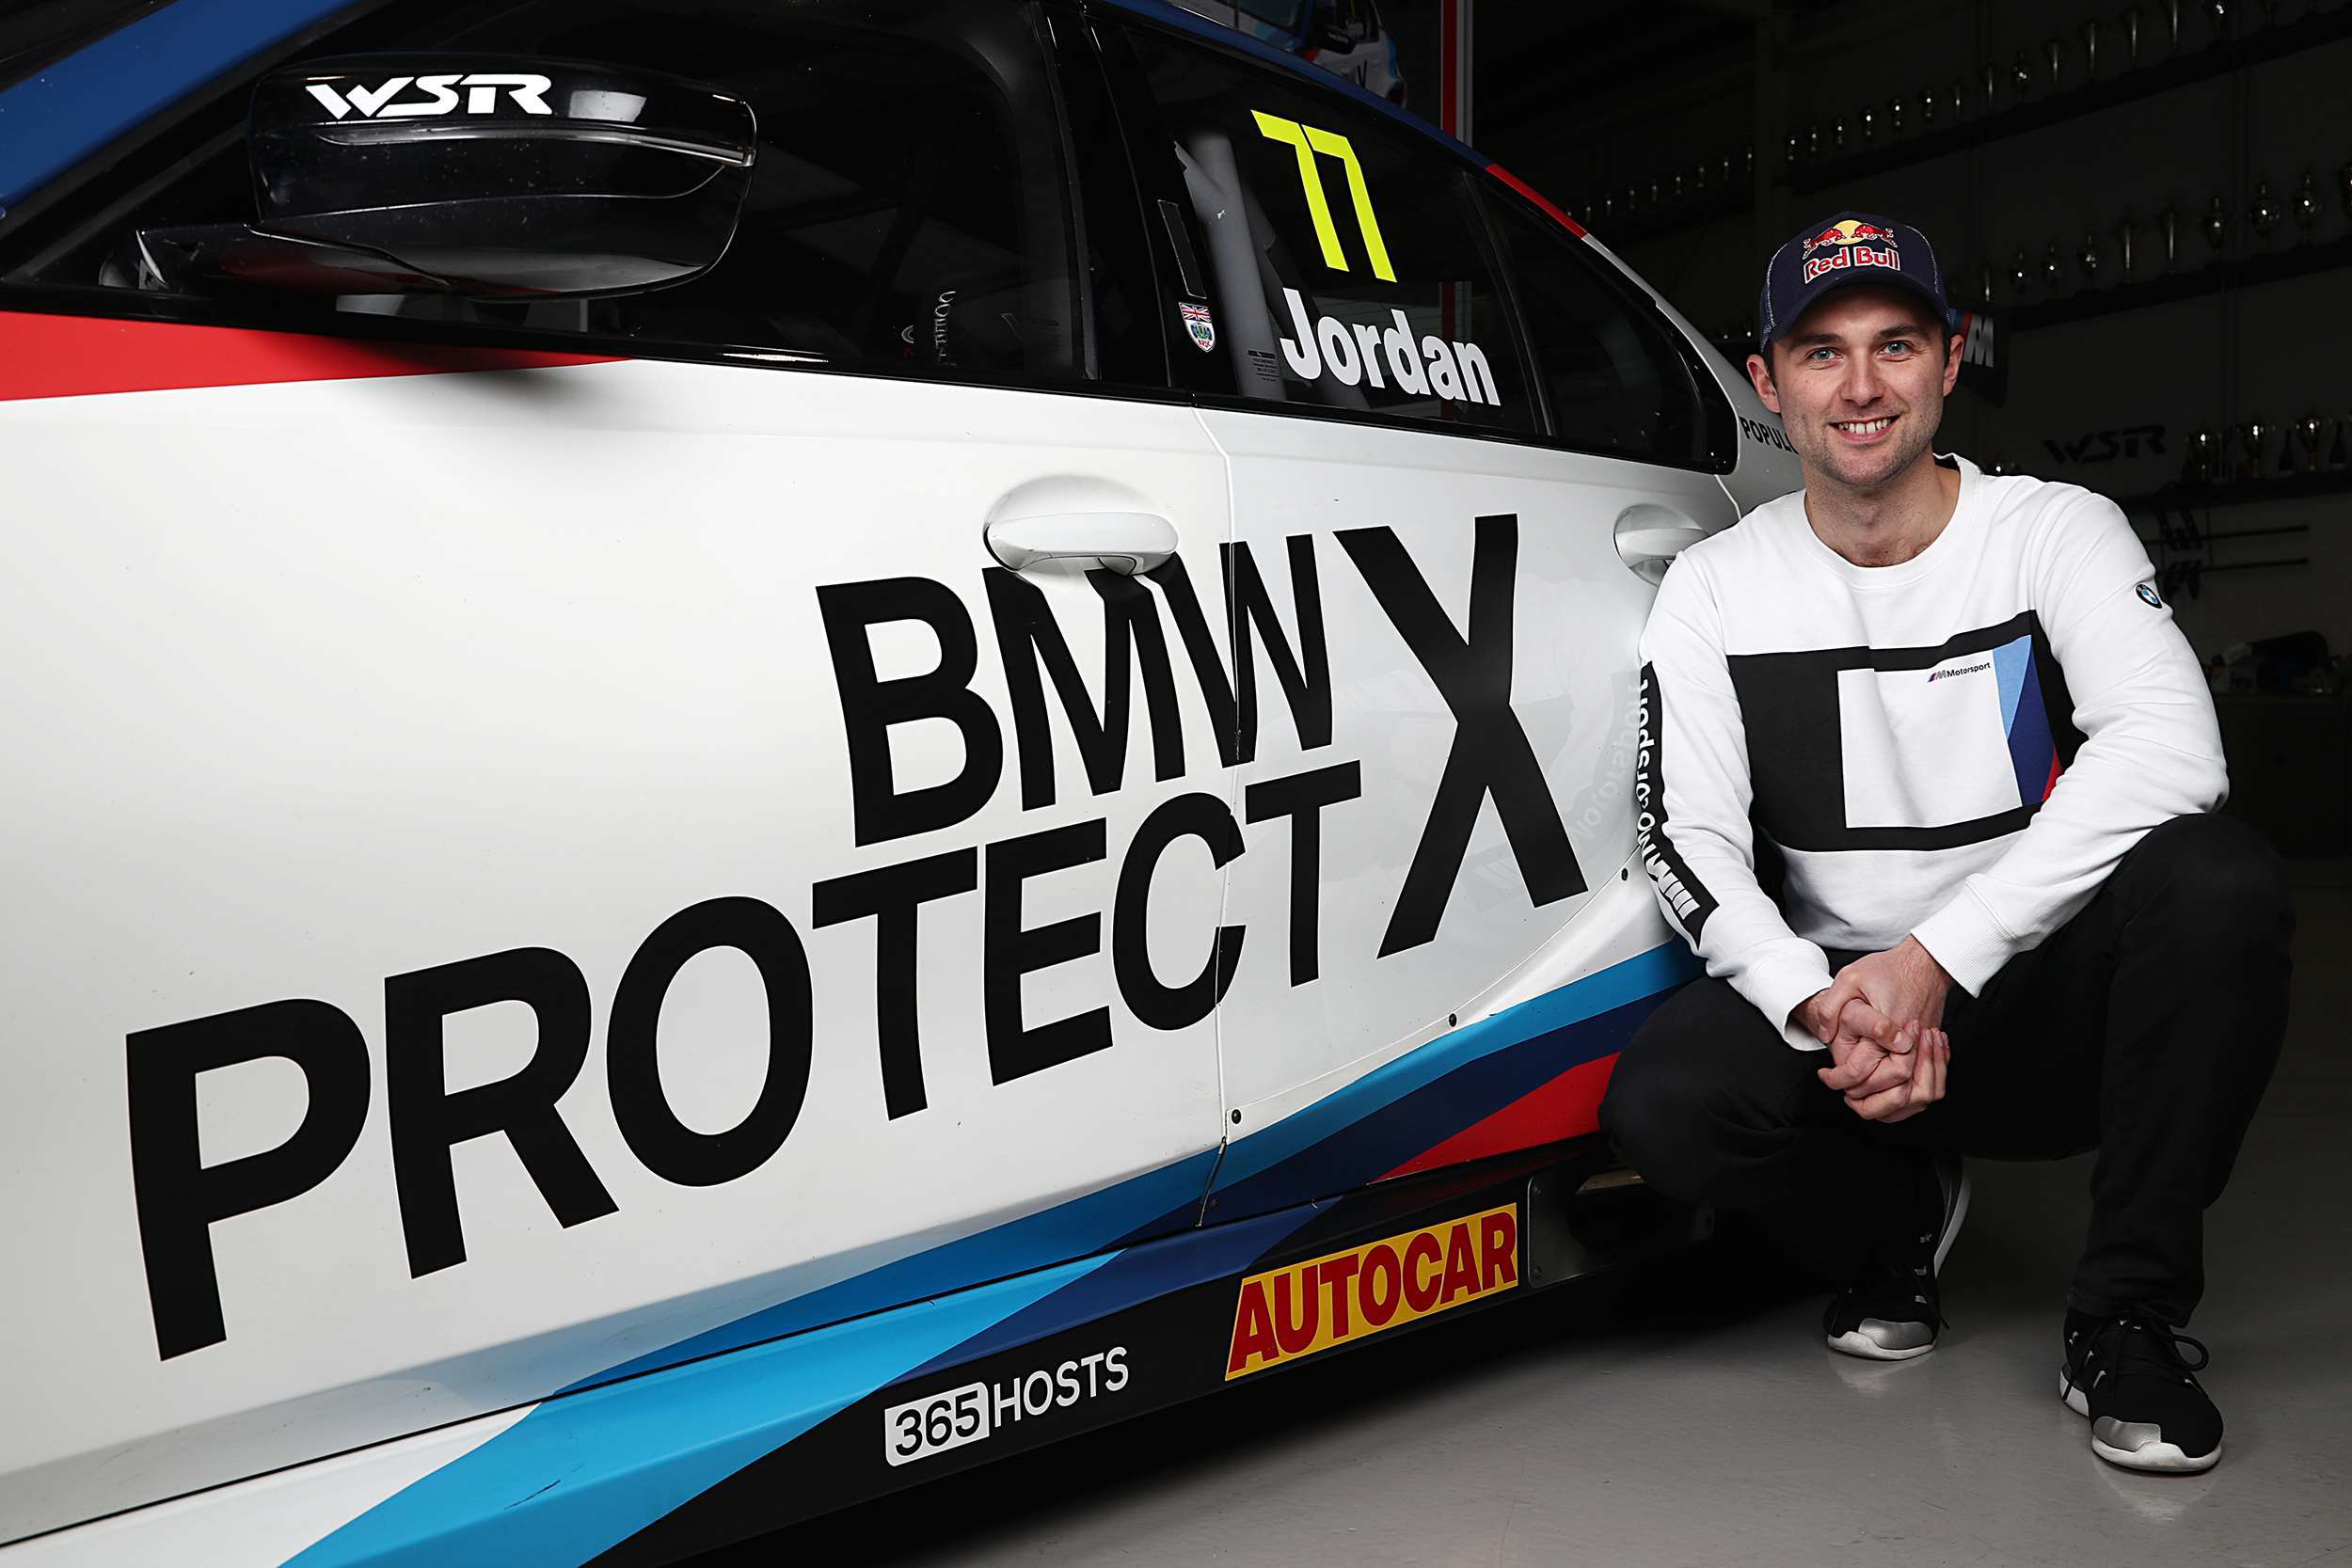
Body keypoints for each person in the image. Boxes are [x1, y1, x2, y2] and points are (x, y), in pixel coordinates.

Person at [1599, 212, 2293, 1475]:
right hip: (1851, 1013)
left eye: (1896, 345)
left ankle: (2126, 1318)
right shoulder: (1715, 586)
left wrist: (1937, 960)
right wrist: (1815, 1001)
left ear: (1949, 361)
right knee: (1668, 1107)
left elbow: (2175, 751)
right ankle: (1892, 1220)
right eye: (1821, 353)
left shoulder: (2053, 530)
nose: (1860, 386)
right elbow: (1685, 835)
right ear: (1768, 382)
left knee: (2221, 882)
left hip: (2035, 997)